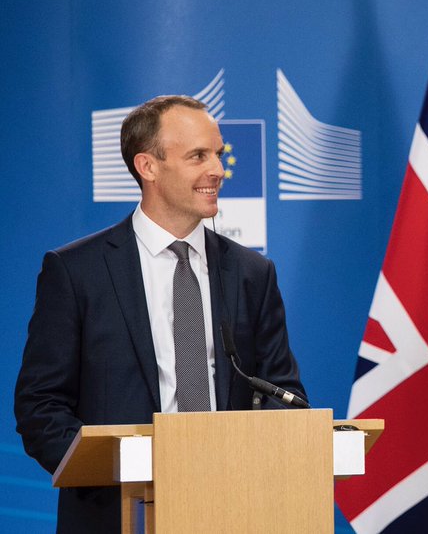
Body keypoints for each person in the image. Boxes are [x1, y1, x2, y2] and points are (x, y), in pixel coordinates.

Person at [14, 95, 307, 532]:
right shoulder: (77, 272)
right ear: (147, 167)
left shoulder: (251, 273)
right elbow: (40, 406)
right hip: (118, 512)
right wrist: (118, 470)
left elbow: (283, 394)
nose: (218, 171)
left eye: (218, 154)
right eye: (198, 156)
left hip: (235, 508)